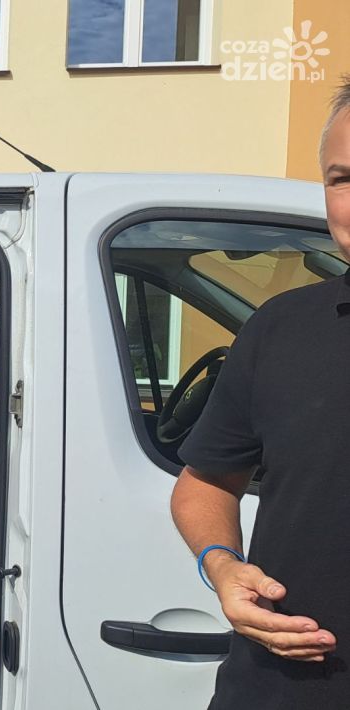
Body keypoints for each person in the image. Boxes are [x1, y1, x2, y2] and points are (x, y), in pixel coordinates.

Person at [171, 80, 350, 708]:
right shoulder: (280, 327)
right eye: (343, 179)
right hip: (276, 689)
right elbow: (204, 483)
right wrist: (222, 566)